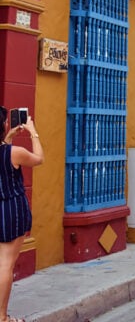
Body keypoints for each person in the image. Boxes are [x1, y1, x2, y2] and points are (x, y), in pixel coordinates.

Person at [0, 107, 44, 322]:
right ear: (3, 125)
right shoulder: (14, 152)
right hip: (10, 211)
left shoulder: (9, 150)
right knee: (5, 264)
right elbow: (38, 159)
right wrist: (32, 131)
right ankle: (2, 317)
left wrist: (7, 137)